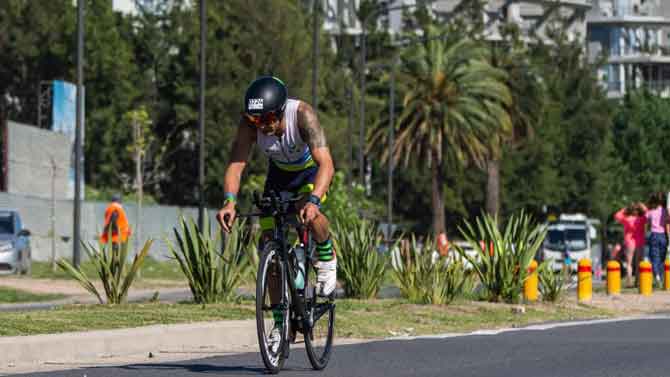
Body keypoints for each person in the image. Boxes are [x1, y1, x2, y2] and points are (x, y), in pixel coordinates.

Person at [216, 76, 336, 344]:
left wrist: (314, 199)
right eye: (256, 120)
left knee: (307, 211)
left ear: (281, 111)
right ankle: (281, 325)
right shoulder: (251, 123)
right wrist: (229, 201)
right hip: (279, 176)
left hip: (309, 173)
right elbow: (236, 164)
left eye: (268, 119)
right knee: (268, 243)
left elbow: (327, 164)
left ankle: (326, 254)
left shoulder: (302, 115)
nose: (263, 126)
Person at [613, 202, 646, 287]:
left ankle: (629, 282)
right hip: (640, 242)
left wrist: (625, 209)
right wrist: (642, 206)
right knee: (639, 263)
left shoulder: (626, 219)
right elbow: (647, 213)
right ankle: (637, 282)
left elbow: (617, 215)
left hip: (629, 241)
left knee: (629, 263)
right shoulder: (642, 219)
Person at [644, 192, 669, 286]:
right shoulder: (665, 211)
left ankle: (657, 276)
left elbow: (646, 221)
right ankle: (661, 276)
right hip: (663, 235)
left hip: (654, 235)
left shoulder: (650, 211)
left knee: (654, 257)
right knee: (662, 257)